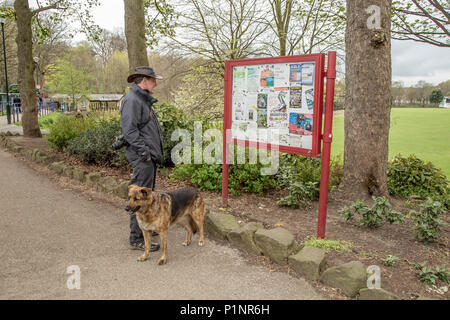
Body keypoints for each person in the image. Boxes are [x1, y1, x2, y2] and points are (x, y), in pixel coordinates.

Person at [121, 66, 164, 252]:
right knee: (138, 198)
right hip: (142, 158)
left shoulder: (141, 100)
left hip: (147, 158)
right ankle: (137, 238)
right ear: (144, 80)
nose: (156, 83)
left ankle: (146, 228)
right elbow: (129, 131)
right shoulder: (132, 100)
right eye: (153, 80)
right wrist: (145, 153)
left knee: (148, 196)